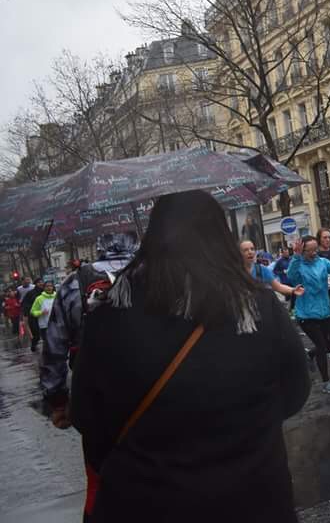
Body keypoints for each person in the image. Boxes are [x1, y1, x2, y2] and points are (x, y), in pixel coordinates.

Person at [70, 190, 310, 523]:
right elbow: (296, 392)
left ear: (154, 238)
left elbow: (86, 415)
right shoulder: (259, 308)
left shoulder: (109, 315)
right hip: (254, 500)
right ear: (220, 238)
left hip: (145, 501)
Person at [41, 233, 140, 435]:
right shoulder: (157, 274)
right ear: (136, 246)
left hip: (95, 393)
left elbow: (54, 346)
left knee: (102, 459)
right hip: (152, 389)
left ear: (99, 249)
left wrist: (57, 400)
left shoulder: (74, 282)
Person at [287, 235, 330, 394]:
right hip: (306, 314)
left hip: (324, 311)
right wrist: (295, 257)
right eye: (310, 251)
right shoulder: (299, 265)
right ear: (302, 251)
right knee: (322, 347)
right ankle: (326, 382)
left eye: (315, 249)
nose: (314, 252)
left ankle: (309, 354)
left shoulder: (322, 262)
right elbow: (291, 277)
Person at [29, 281, 56, 349]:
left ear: (53, 287)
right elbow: (32, 311)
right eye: (47, 286)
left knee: (56, 342)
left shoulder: (57, 296)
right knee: (48, 344)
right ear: (44, 288)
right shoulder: (39, 298)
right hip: (44, 325)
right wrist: (41, 312)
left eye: (50, 286)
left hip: (56, 324)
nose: (49, 288)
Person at [21, 278, 44, 352]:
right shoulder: (31, 293)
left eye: (41, 282)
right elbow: (25, 303)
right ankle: (34, 344)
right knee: (35, 332)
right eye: (39, 282)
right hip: (33, 315)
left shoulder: (45, 291)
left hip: (44, 314)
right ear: (36, 284)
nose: (41, 284)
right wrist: (27, 313)